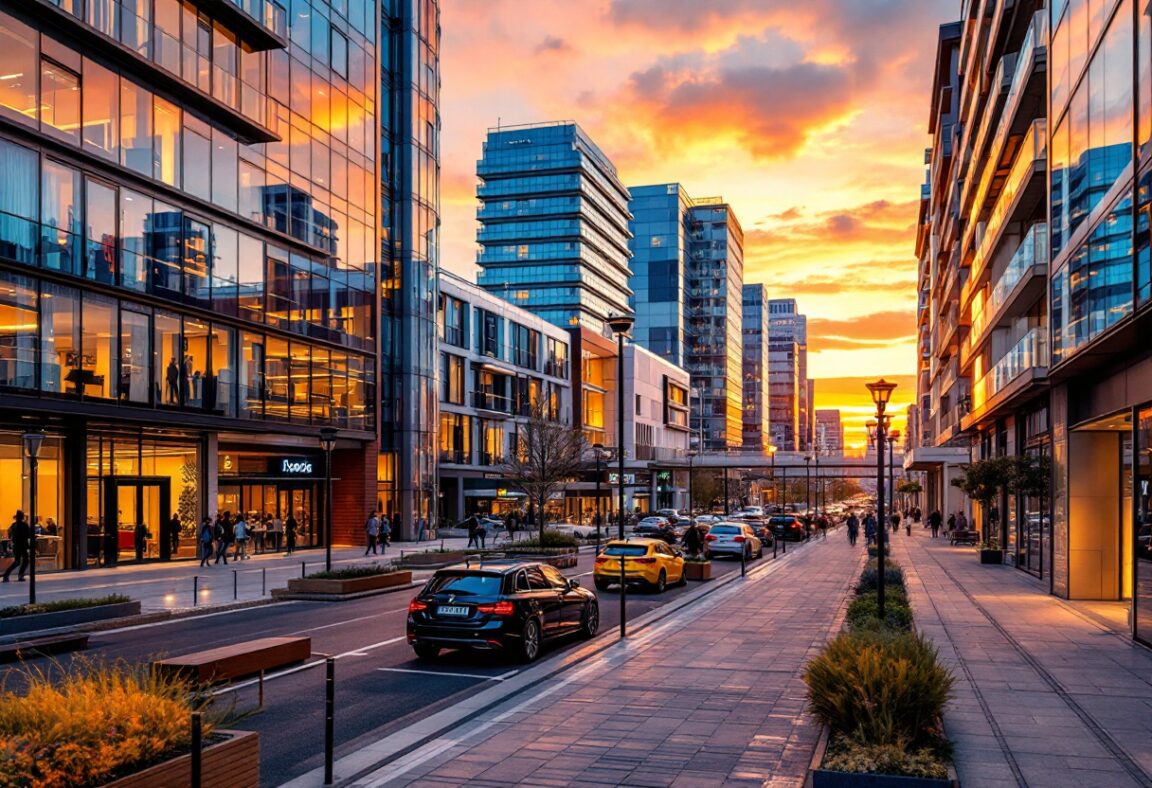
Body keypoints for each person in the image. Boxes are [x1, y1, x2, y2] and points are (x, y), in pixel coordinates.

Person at [2, 511, 31, 582]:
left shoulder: (13, 525)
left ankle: (7, 574)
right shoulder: (24, 525)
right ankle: (20, 575)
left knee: (17, 561)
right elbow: (28, 535)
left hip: (16, 545)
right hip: (22, 545)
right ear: (22, 517)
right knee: (25, 560)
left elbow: (10, 533)